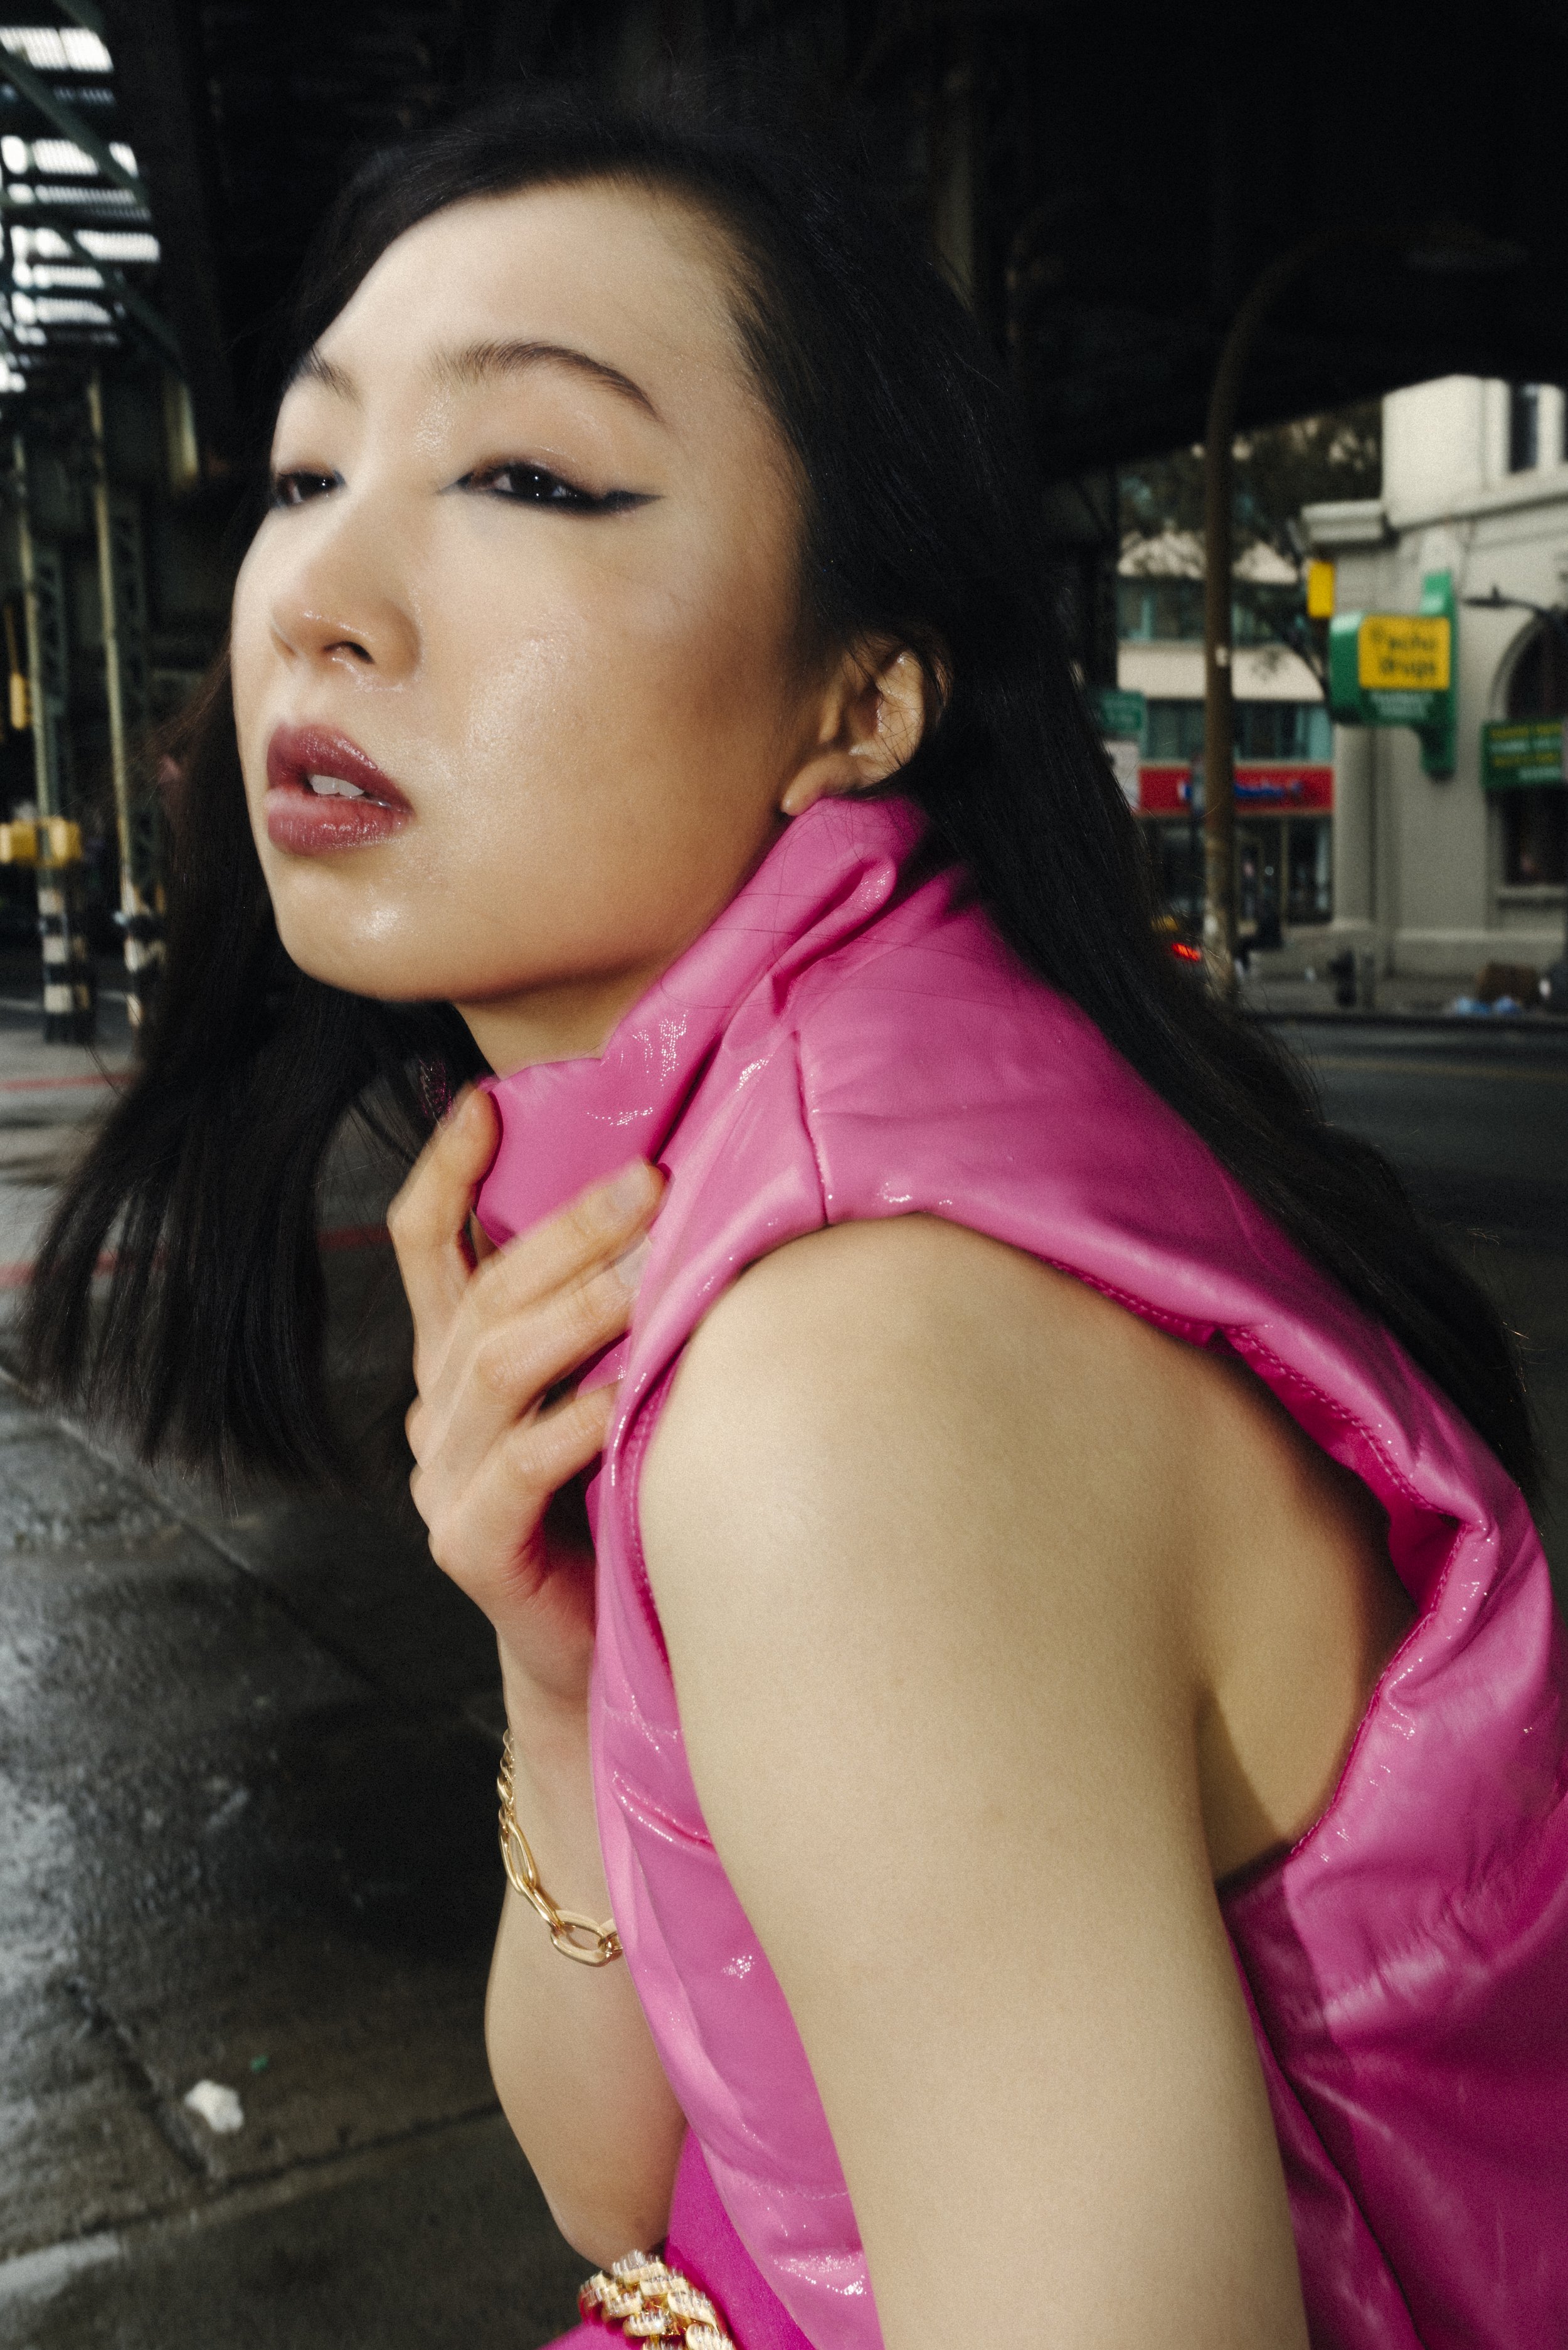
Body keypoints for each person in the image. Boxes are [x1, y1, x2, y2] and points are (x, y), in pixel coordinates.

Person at [25, 82, 1567, 2350]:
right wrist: (559, 1683)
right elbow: (625, 2185)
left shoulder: (855, 1378)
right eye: (301, 473)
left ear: (856, 698)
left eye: (526, 475)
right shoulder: (750, 1202)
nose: (318, 603)